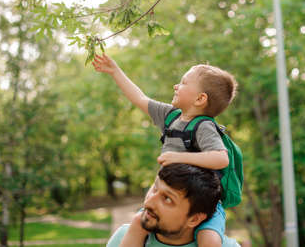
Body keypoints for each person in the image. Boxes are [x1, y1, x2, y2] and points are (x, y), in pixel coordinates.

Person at [93, 53, 238, 247]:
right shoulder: (170, 116)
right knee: (137, 223)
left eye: (183, 82)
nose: (176, 86)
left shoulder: (204, 127)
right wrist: (115, 71)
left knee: (209, 240)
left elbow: (221, 159)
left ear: (200, 98)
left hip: (201, 204)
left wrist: (178, 158)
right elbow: (139, 98)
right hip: (165, 193)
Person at [106, 163, 241, 247]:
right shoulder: (124, 237)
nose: (148, 202)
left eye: (168, 199)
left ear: (194, 218)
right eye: (154, 189)